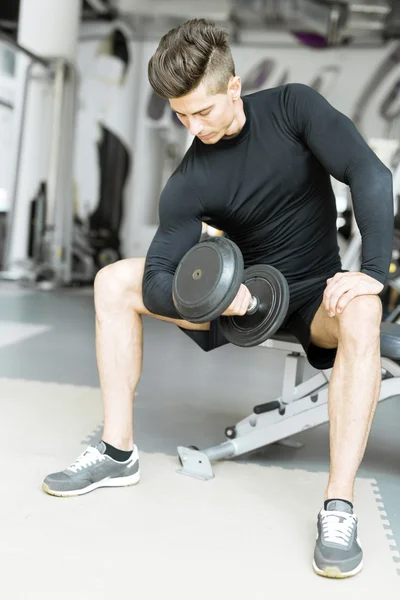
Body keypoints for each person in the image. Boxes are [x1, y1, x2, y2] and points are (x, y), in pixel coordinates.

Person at [43, 18, 394, 579]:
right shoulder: (190, 179)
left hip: (311, 300)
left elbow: (369, 174)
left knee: (365, 309)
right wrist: (218, 297)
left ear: (234, 87)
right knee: (113, 280)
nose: (193, 126)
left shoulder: (291, 108)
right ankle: (116, 453)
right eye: (180, 115)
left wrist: (373, 273)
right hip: (240, 301)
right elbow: (158, 276)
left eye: (202, 111)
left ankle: (338, 504)